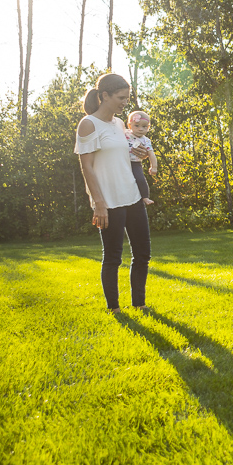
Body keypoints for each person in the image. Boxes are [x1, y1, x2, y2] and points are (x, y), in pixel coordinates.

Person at [74, 73, 151, 314]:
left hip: (133, 197)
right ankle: (114, 309)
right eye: (120, 97)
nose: (125, 102)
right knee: (113, 258)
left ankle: (139, 304)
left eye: (127, 98)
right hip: (109, 202)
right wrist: (99, 204)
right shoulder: (89, 124)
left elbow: (123, 157)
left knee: (143, 254)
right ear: (104, 95)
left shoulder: (119, 124)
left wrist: (139, 154)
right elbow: (86, 166)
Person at [125, 110, 159, 206]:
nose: (140, 129)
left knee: (140, 179)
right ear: (129, 125)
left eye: (144, 127)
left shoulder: (146, 140)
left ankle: (145, 197)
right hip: (122, 162)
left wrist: (154, 167)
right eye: (137, 125)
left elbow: (151, 154)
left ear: (148, 127)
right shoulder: (125, 134)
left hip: (135, 163)